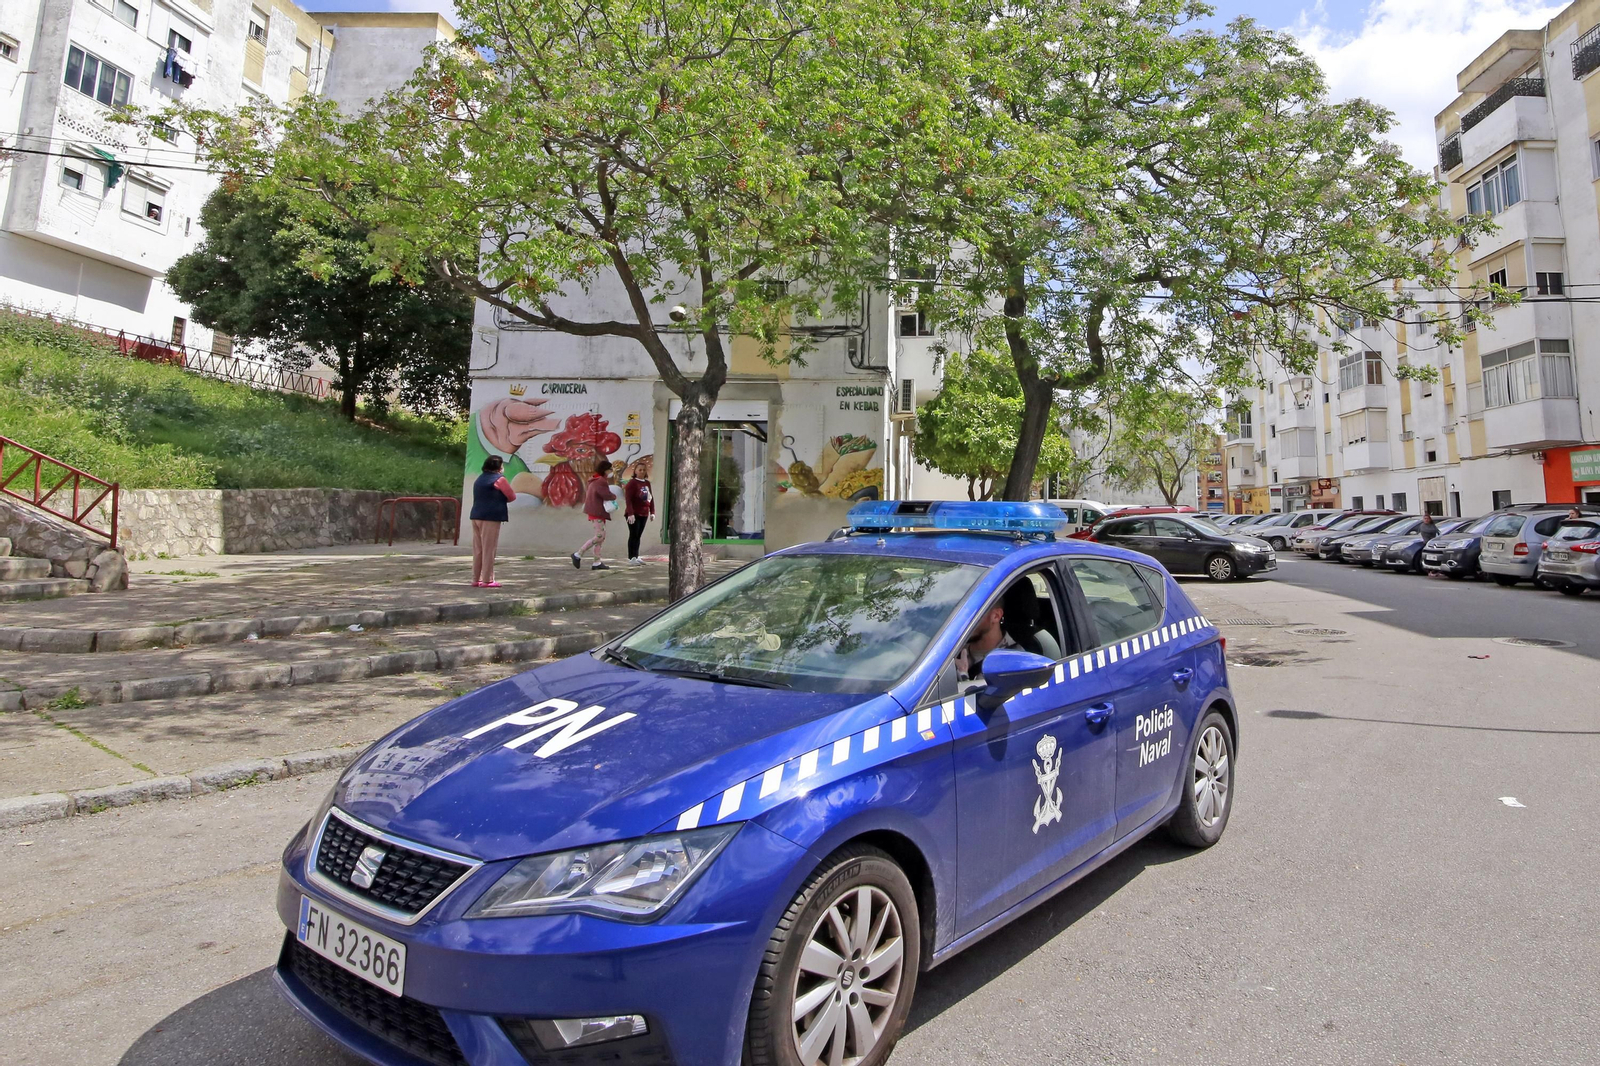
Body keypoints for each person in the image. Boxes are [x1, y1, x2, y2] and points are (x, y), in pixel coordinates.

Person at [469, 456, 516, 588]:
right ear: (499, 467)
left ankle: (475, 579)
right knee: (489, 549)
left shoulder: (480, 479)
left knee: (478, 549)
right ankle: (487, 580)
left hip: (476, 515)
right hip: (491, 517)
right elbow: (512, 496)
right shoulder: (499, 479)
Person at [573, 460, 617, 571]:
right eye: (610, 469)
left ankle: (597, 562)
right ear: (605, 470)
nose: (612, 471)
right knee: (599, 536)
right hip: (597, 511)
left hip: (595, 511)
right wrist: (614, 496)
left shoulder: (595, 479)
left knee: (601, 537)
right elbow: (605, 494)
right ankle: (578, 554)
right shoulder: (601, 481)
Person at [623, 462, 655, 566]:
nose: (642, 471)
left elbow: (650, 497)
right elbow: (628, 499)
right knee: (633, 535)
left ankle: (636, 556)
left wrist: (652, 512)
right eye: (639, 469)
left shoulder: (647, 483)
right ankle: (631, 557)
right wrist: (630, 513)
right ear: (635, 471)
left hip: (644, 513)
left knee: (638, 535)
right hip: (633, 513)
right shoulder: (632, 483)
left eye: (644, 470)